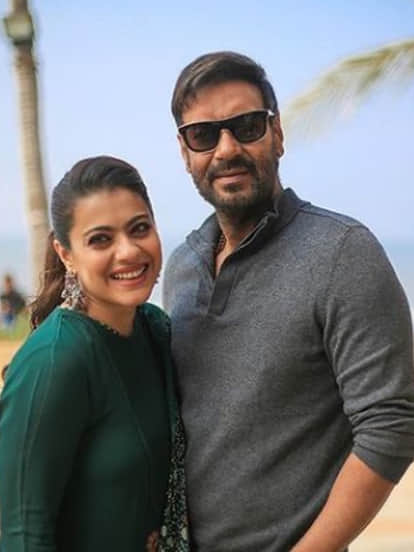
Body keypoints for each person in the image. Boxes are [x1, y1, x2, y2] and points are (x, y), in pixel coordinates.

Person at [163, 51, 414, 551]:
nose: (227, 149)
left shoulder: (343, 252)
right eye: (204, 135)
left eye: (247, 126)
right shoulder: (181, 267)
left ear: (277, 133)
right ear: (185, 152)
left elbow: (392, 424)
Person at [0, 156, 188, 552]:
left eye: (140, 228)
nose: (128, 251)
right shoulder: (55, 360)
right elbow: (22, 533)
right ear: (65, 253)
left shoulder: (155, 330)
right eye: (101, 239)